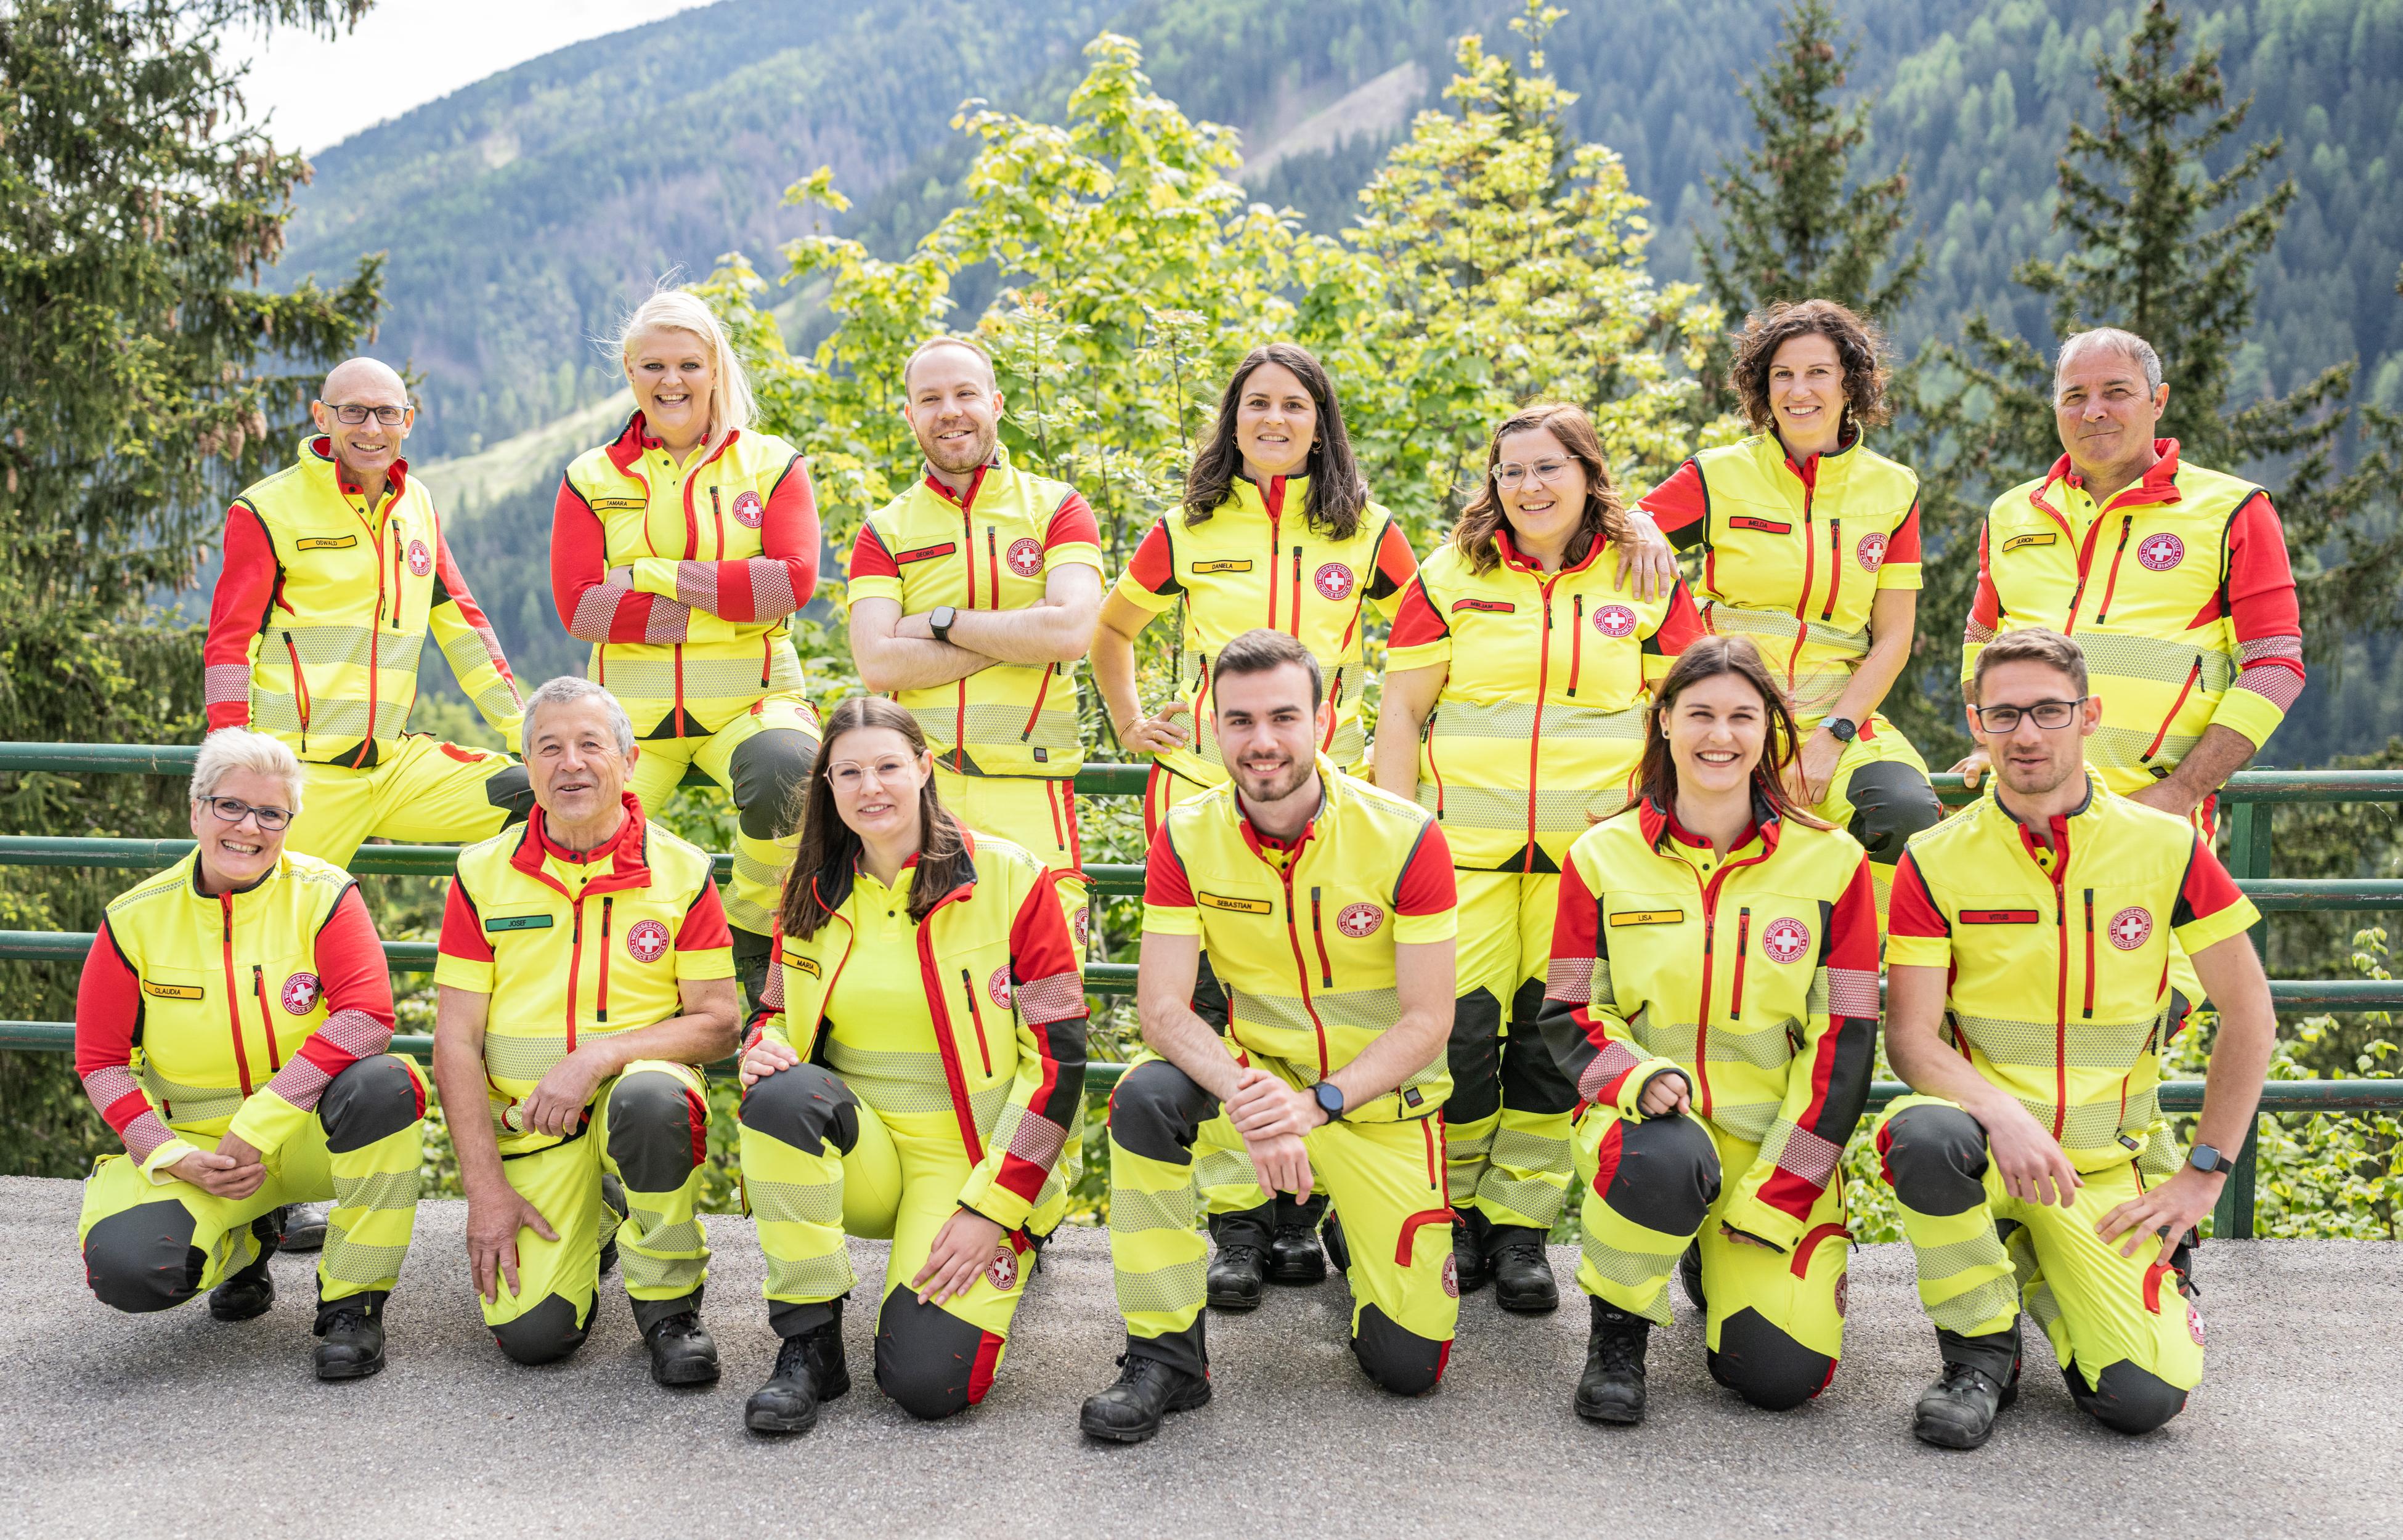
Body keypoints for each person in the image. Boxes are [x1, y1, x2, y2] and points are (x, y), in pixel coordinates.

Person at [1877, 628, 2274, 1448]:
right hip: (1989, 1152)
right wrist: (2003, 1115)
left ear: (2089, 715)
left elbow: (2250, 1013)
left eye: (2049, 711)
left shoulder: (2167, 845)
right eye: (2004, 714)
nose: (2026, 734)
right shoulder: (1933, 858)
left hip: (2104, 1170)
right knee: (1924, 1133)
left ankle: (2040, 1270)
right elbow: (1912, 1041)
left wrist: (2203, 1176)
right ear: (1977, 724)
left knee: (2142, 1402)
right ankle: (1980, 1354)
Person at [1080, 630, 1460, 1445]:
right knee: (1144, 1097)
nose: (1262, 741)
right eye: (1239, 720)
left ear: (1323, 722)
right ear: (1213, 727)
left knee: (1408, 1366)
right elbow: (1163, 1011)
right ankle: (1164, 1358)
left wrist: (1314, 1107)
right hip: (1256, 1085)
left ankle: (1354, 1235)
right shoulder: (1184, 834)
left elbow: (1430, 1020)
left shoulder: (1406, 835)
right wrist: (1255, 1100)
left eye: (1284, 717)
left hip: (1377, 1106)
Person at [1374, 402, 1706, 1311]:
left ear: (1588, 474)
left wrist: (1661, 835)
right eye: (1512, 470)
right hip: (1462, 861)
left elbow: (1684, 709)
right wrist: (1399, 837)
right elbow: (1401, 712)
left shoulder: (1643, 573)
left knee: (1549, 1046)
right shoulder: (1452, 573)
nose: (1529, 486)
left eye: (1549, 467)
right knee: (1455, 1040)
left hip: (1587, 867)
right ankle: (1457, 1213)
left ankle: (1520, 1226)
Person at [1537, 636, 1881, 1425]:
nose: (1719, 736)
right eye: (1699, 714)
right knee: (1664, 1155)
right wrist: (1634, 1076)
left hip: (1773, 1137)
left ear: (1769, 729)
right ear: (1663, 722)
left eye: (1741, 717)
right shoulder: (1600, 856)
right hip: (1650, 1127)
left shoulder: (1834, 862)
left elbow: (1845, 1039)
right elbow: (1571, 1008)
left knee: (1779, 1377)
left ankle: (1711, 1250)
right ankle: (1618, 1334)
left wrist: (1785, 1189)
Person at [733, 697, 1088, 1433]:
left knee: (928, 1382)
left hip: (972, 1162)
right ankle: (809, 1342)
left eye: (888, 766)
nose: (871, 787)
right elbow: (775, 1009)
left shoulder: (1014, 878)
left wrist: (994, 1208)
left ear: (925, 768)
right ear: (828, 784)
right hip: (862, 1150)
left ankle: (1019, 1239)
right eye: (849, 772)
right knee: (778, 1095)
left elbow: (1061, 1060)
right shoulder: (811, 886)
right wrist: (762, 1043)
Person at [1958, 326, 2306, 1023]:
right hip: (2021, 821)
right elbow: (1982, 642)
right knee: (2006, 1023)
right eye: (2074, 396)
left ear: (2158, 400)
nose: (2094, 411)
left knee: (2136, 1021)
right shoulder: (2011, 512)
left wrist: (2182, 790)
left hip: (2153, 823)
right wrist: (1989, 738)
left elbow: (2275, 665)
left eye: (2116, 391)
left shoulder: (2233, 510)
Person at [73, 728, 425, 1380]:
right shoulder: (133, 918)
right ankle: (246, 1240)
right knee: (131, 1268)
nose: (249, 827)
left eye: (271, 813)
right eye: (230, 805)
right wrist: (170, 1155)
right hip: (200, 1151)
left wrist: (260, 1124)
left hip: (310, 1135)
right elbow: (102, 1062)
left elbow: (367, 1017)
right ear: (196, 811)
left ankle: (353, 1304)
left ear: (290, 823)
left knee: (387, 1085)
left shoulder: (325, 894)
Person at [430, 678, 742, 1384]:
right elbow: (455, 1041)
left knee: (652, 1104)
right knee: (534, 1336)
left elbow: (721, 1024)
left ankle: (669, 1306)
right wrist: (486, 1193)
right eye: (549, 748)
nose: (570, 763)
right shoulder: (480, 874)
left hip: (636, 1100)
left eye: (590, 745)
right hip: (530, 1123)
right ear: (529, 766)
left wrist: (599, 1057)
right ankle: (595, 1218)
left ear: (629, 761)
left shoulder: (682, 871)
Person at [551, 290, 823, 1002]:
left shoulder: (772, 464)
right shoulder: (589, 477)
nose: (671, 381)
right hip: (630, 721)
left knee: (792, 767)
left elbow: (789, 586)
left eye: (688, 365)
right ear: (630, 372)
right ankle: (619, 980)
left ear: (715, 370)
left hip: (753, 707)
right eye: (653, 366)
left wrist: (648, 576)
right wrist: (730, 604)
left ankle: (752, 932)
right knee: (564, 819)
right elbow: (581, 608)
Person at [1634, 299, 1943, 921]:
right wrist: (1638, 523)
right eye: (1783, 375)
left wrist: (1832, 739)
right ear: (1762, 387)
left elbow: (1893, 639)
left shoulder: (1894, 488)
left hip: (1841, 717)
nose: (1799, 391)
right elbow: (1618, 538)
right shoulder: (1717, 475)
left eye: (1818, 373)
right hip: (1730, 710)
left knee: (1904, 814)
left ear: (1850, 383)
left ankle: (1856, 962)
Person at [202, 357, 533, 867]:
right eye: (353, 412)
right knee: (258, 909)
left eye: (386, 413)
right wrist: (234, 759)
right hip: (300, 777)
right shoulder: (266, 509)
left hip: (397, 770)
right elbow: (230, 643)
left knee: (547, 796)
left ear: (408, 420)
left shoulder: (417, 504)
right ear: (322, 417)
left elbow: (463, 629)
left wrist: (528, 733)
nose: (372, 429)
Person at [847, 334, 1105, 886]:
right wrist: (1021, 634)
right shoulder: (884, 530)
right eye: (931, 399)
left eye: (965, 393)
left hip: (1033, 787)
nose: (950, 412)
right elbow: (879, 664)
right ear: (910, 415)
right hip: (922, 794)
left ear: (996, 403)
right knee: (926, 945)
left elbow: (1069, 634)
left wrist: (940, 625)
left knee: (1046, 946)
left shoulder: (1058, 507)